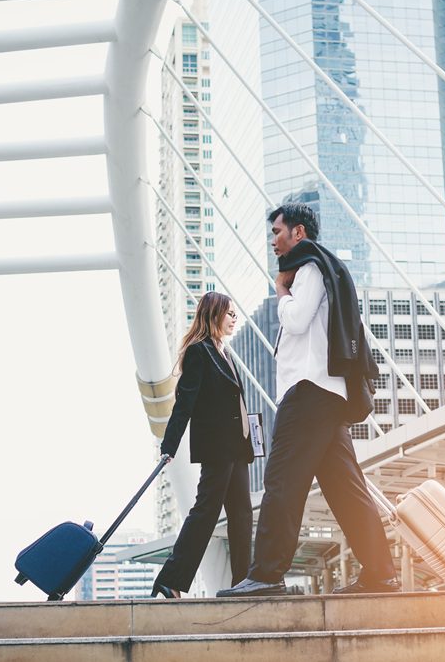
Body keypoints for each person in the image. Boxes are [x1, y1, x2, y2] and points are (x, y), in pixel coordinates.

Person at [217, 203, 399, 597]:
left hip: (309, 392)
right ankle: (382, 574)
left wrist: (282, 291)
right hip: (323, 395)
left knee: (282, 480)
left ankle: (266, 574)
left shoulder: (311, 270)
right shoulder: (318, 269)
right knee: (345, 488)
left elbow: (297, 319)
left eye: (278, 231)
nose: (273, 240)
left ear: (298, 233)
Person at [152, 291, 255, 599]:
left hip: (237, 449)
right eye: (230, 314)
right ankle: (170, 578)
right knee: (205, 512)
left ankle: (242, 583)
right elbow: (185, 403)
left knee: (242, 515)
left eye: (236, 315)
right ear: (213, 315)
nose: (234, 319)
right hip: (217, 448)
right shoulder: (200, 352)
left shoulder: (225, 353)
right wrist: (169, 446)